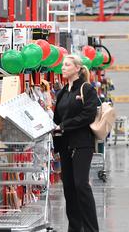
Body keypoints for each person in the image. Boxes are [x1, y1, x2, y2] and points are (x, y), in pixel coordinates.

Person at [53, 55, 100, 232]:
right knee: (69, 188)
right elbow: (57, 118)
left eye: (67, 65)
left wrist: (65, 125)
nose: (63, 68)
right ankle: (74, 228)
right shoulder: (62, 92)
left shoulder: (87, 89)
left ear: (77, 68)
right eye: (63, 65)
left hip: (82, 143)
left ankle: (91, 228)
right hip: (65, 144)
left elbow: (88, 115)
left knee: (81, 185)